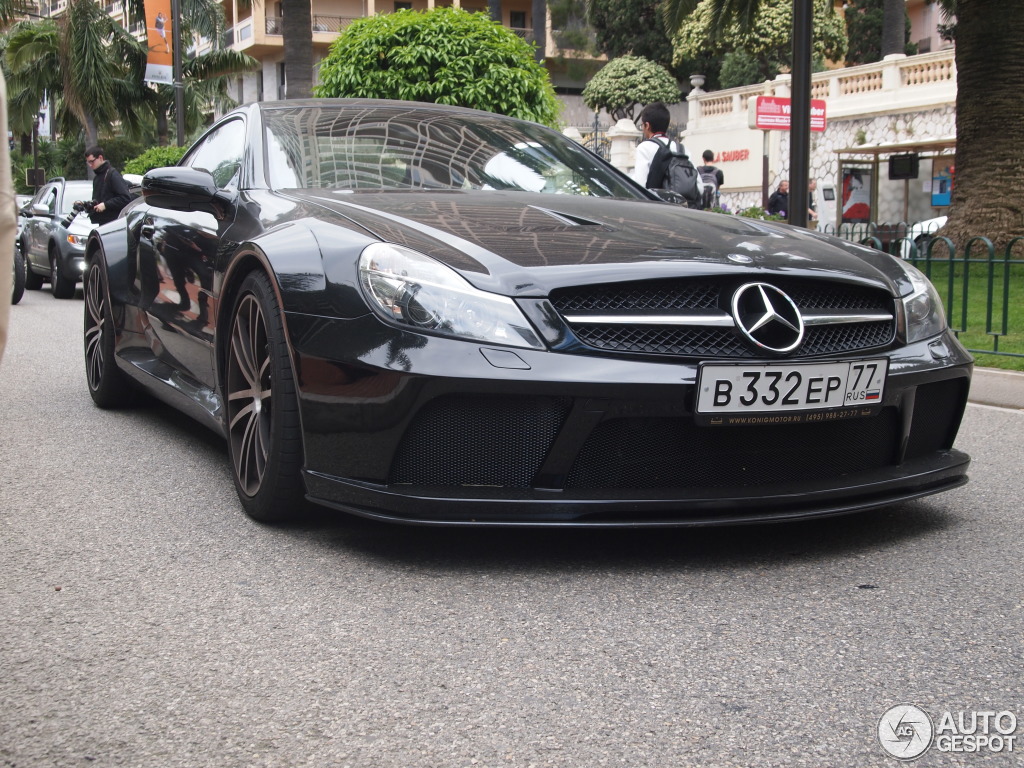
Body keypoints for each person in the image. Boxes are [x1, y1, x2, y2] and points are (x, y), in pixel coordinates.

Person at [630, 102, 702, 204]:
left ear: (647, 125)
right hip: (684, 210)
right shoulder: (683, 149)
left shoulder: (645, 147)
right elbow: (700, 188)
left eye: (642, 125)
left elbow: (640, 186)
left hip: (658, 210)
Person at [83, 146, 132, 226]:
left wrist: (106, 205)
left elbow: (125, 198)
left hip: (114, 224)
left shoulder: (112, 174)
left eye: (92, 161)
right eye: (88, 162)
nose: (90, 165)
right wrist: (84, 204)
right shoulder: (97, 177)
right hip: (103, 224)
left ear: (100, 158)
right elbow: (98, 201)